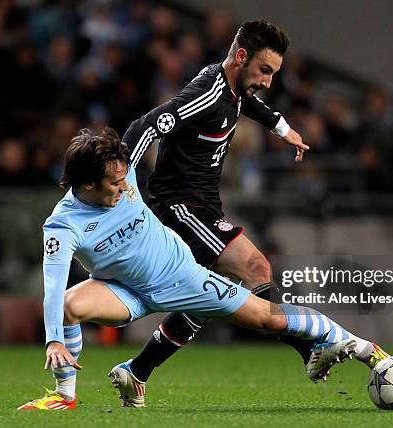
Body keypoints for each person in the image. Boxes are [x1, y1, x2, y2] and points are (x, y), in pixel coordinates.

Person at [18, 128, 388, 410]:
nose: (123, 187)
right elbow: (52, 285)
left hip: (183, 277)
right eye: (114, 184)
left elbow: (159, 120)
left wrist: (274, 124)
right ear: (87, 184)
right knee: (68, 305)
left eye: (123, 179)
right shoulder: (63, 226)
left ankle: (362, 347)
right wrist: (53, 338)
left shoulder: (122, 170)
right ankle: (64, 396)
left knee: (268, 317)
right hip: (123, 292)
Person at [121, 20, 315, 387]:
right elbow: (145, 126)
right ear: (241, 57)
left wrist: (282, 129)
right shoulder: (207, 92)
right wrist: (121, 180)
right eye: (265, 70)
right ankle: (308, 348)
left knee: (206, 297)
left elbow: (249, 102)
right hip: (180, 207)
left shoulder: (231, 85)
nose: (269, 82)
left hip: (204, 207)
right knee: (256, 266)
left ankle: (137, 371)